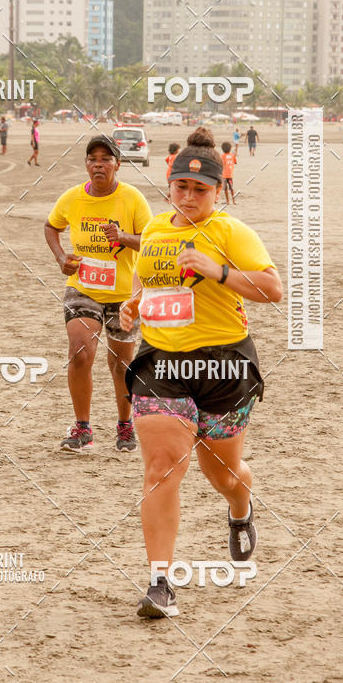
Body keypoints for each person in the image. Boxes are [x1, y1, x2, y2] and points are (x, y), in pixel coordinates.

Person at [119, 127, 282, 618]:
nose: (189, 196)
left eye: (201, 189)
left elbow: (273, 289)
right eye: (181, 187)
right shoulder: (154, 230)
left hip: (223, 365)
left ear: (218, 190)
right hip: (162, 363)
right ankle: (160, 582)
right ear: (169, 185)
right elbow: (148, 286)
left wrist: (220, 272)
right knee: (161, 466)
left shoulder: (230, 232)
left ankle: (240, 508)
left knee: (225, 474)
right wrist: (133, 308)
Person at [45, 135, 153, 453]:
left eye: (106, 159)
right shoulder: (73, 198)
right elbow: (51, 227)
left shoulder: (133, 199)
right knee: (80, 352)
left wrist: (122, 236)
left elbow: (151, 240)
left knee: (121, 364)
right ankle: (82, 428)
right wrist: (61, 257)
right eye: (92, 159)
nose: (98, 164)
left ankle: (125, 426)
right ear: (86, 165)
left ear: (118, 165)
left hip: (124, 294)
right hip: (83, 288)